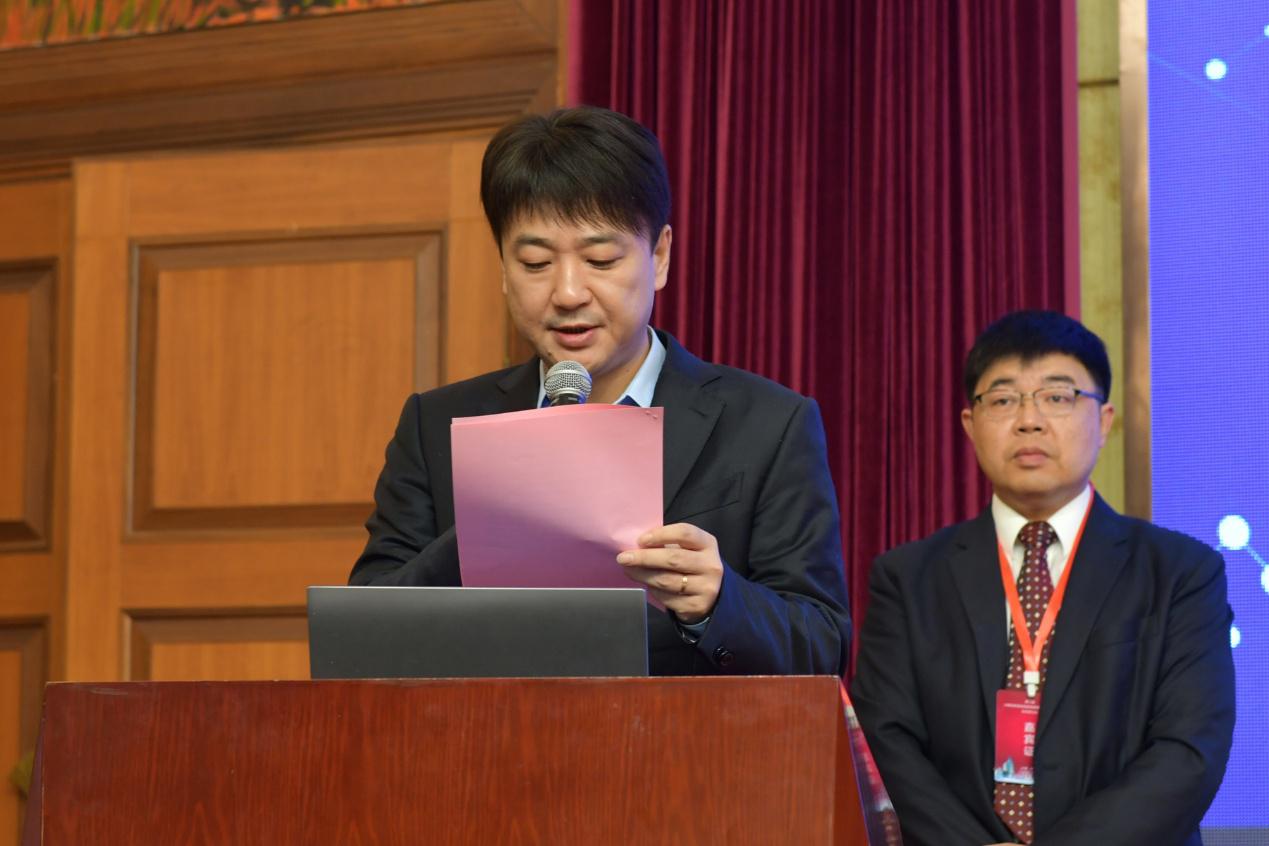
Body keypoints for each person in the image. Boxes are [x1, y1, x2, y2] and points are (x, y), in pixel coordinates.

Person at [348, 106, 850, 676]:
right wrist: (482, 538)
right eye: (536, 262)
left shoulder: (768, 424)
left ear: (659, 255)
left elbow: (823, 643)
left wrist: (718, 602)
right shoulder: (435, 425)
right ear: (504, 267)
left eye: (600, 259)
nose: (567, 293)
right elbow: (361, 636)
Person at [850, 310, 1235, 846]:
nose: (1029, 420)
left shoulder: (1180, 574)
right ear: (970, 425)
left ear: (1104, 420)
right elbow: (886, 743)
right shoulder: (908, 579)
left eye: (1057, 396)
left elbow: (1189, 751)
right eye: (1003, 399)